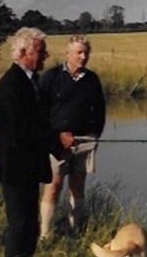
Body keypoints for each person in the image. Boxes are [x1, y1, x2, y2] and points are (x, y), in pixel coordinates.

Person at [0, 27, 52, 257]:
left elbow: (34, 125)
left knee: (29, 225)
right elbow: (21, 133)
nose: (46, 56)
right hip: (15, 169)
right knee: (20, 225)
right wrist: (55, 140)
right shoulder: (11, 86)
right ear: (24, 52)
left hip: (25, 167)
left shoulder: (29, 80)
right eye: (40, 51)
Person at [39, 34, 105, 238]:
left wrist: (94, 136)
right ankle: (45, 234)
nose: (83, 57)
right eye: (79, 52)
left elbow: (100, 111)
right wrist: (55, 136)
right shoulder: (51, 77)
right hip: (57, 144)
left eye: (86, 53)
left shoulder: (92, 79)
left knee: (77, 186)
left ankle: (75, 230)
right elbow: (40, 112)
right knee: (54, 185)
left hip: (85, 142)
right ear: (68, 53)